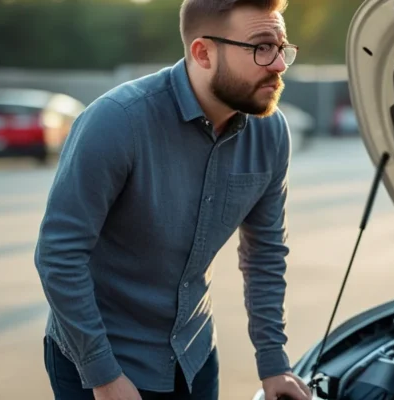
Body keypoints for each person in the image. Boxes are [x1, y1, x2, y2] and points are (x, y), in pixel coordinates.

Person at [33, 1, 312, 399]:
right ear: (203, 52)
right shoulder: (117, 121)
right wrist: (104, 377)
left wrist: (274, 364)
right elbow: (58, 255)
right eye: (261, 48)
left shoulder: (271, 133)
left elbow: (265, 253)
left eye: (282, 47)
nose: (279, 65)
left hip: (194, 358)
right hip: (99, 361)